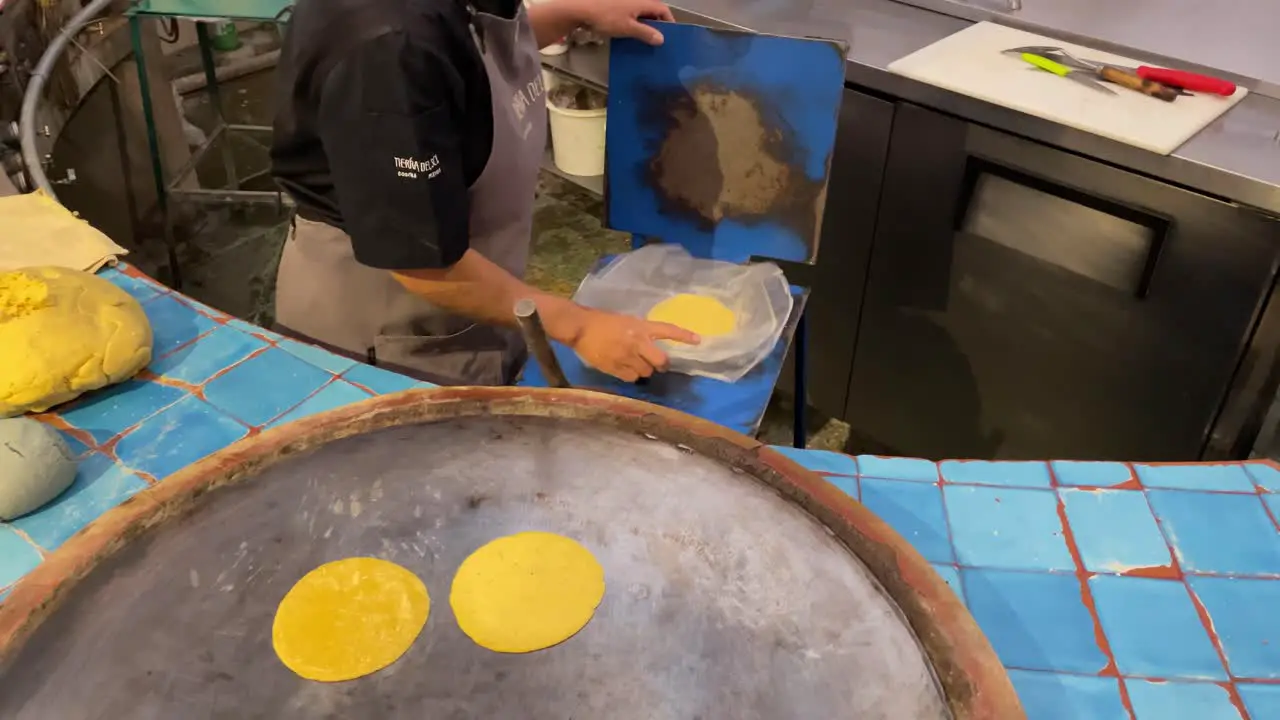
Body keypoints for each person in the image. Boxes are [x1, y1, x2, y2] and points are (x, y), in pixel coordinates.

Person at [269, 0, 699, 386]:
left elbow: (464, 52)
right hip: (386, 331)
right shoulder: (390, 50)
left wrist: (571, 15)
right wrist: (580, 327)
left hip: (468, 299)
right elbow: (421, 262)